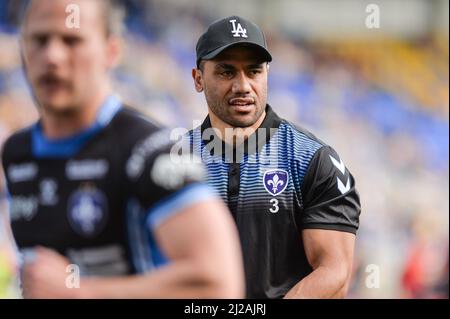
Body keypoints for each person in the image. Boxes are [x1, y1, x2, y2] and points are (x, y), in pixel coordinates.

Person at [1, 0, 244, 298]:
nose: (52, 56)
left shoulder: (152, 153)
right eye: (39, 40)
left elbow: (219, 285)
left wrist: (83, 292)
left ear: (111, 51)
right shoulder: (17, 153)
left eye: (72, 40)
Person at [190, 16, 361, 298]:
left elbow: (335, 273)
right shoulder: (171, 161)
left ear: (267, 73)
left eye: (254, 71)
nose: (243, 86)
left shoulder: (313, 160)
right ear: (198, 79)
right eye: (226, 72)